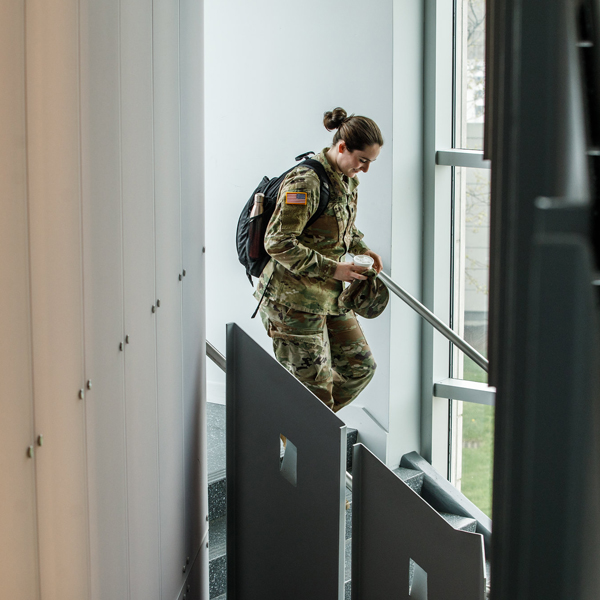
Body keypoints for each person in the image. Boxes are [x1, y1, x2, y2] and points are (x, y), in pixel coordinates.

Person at [254, 107, 383, 413]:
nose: (365, 169)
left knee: (360, 369)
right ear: (341, 147)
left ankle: (296, 425)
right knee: (314, 398)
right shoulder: (305, 182)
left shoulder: (346, 179)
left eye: (371, 162)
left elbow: (340, 228)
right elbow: (278, 242)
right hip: (292, 304)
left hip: (328, 297)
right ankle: (301, 430)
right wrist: (334, 269)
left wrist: (362, 248)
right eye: (362, 160)